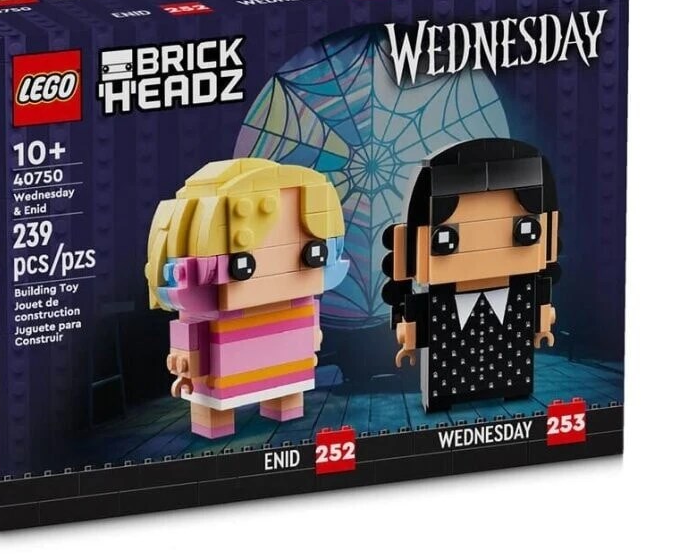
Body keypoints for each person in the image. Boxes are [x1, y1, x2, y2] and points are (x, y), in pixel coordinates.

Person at [145, 158, 349, 438]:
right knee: (215, 416)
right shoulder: (209, 295)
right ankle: (217, 426)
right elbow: (192, 331)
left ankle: (285, 408)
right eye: (243, 264)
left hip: (288, 367)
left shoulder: (302, 302)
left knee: (287, 396)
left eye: (314, 252)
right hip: (224, 377)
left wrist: (312, 339)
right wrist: (187, 368)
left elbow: (310, 326)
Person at [382, 138, 561, 412]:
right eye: (445, 239)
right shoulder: (438, 303)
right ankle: (442, 400)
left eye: (526, 229)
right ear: (410, 243)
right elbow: (414, 313)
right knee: (442, 390)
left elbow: (541, 302)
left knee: (515, 379)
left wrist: (542, 325)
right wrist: (409, 337)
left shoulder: (524, 294)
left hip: (512, 361)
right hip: (446, 371)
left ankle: (512, 390)